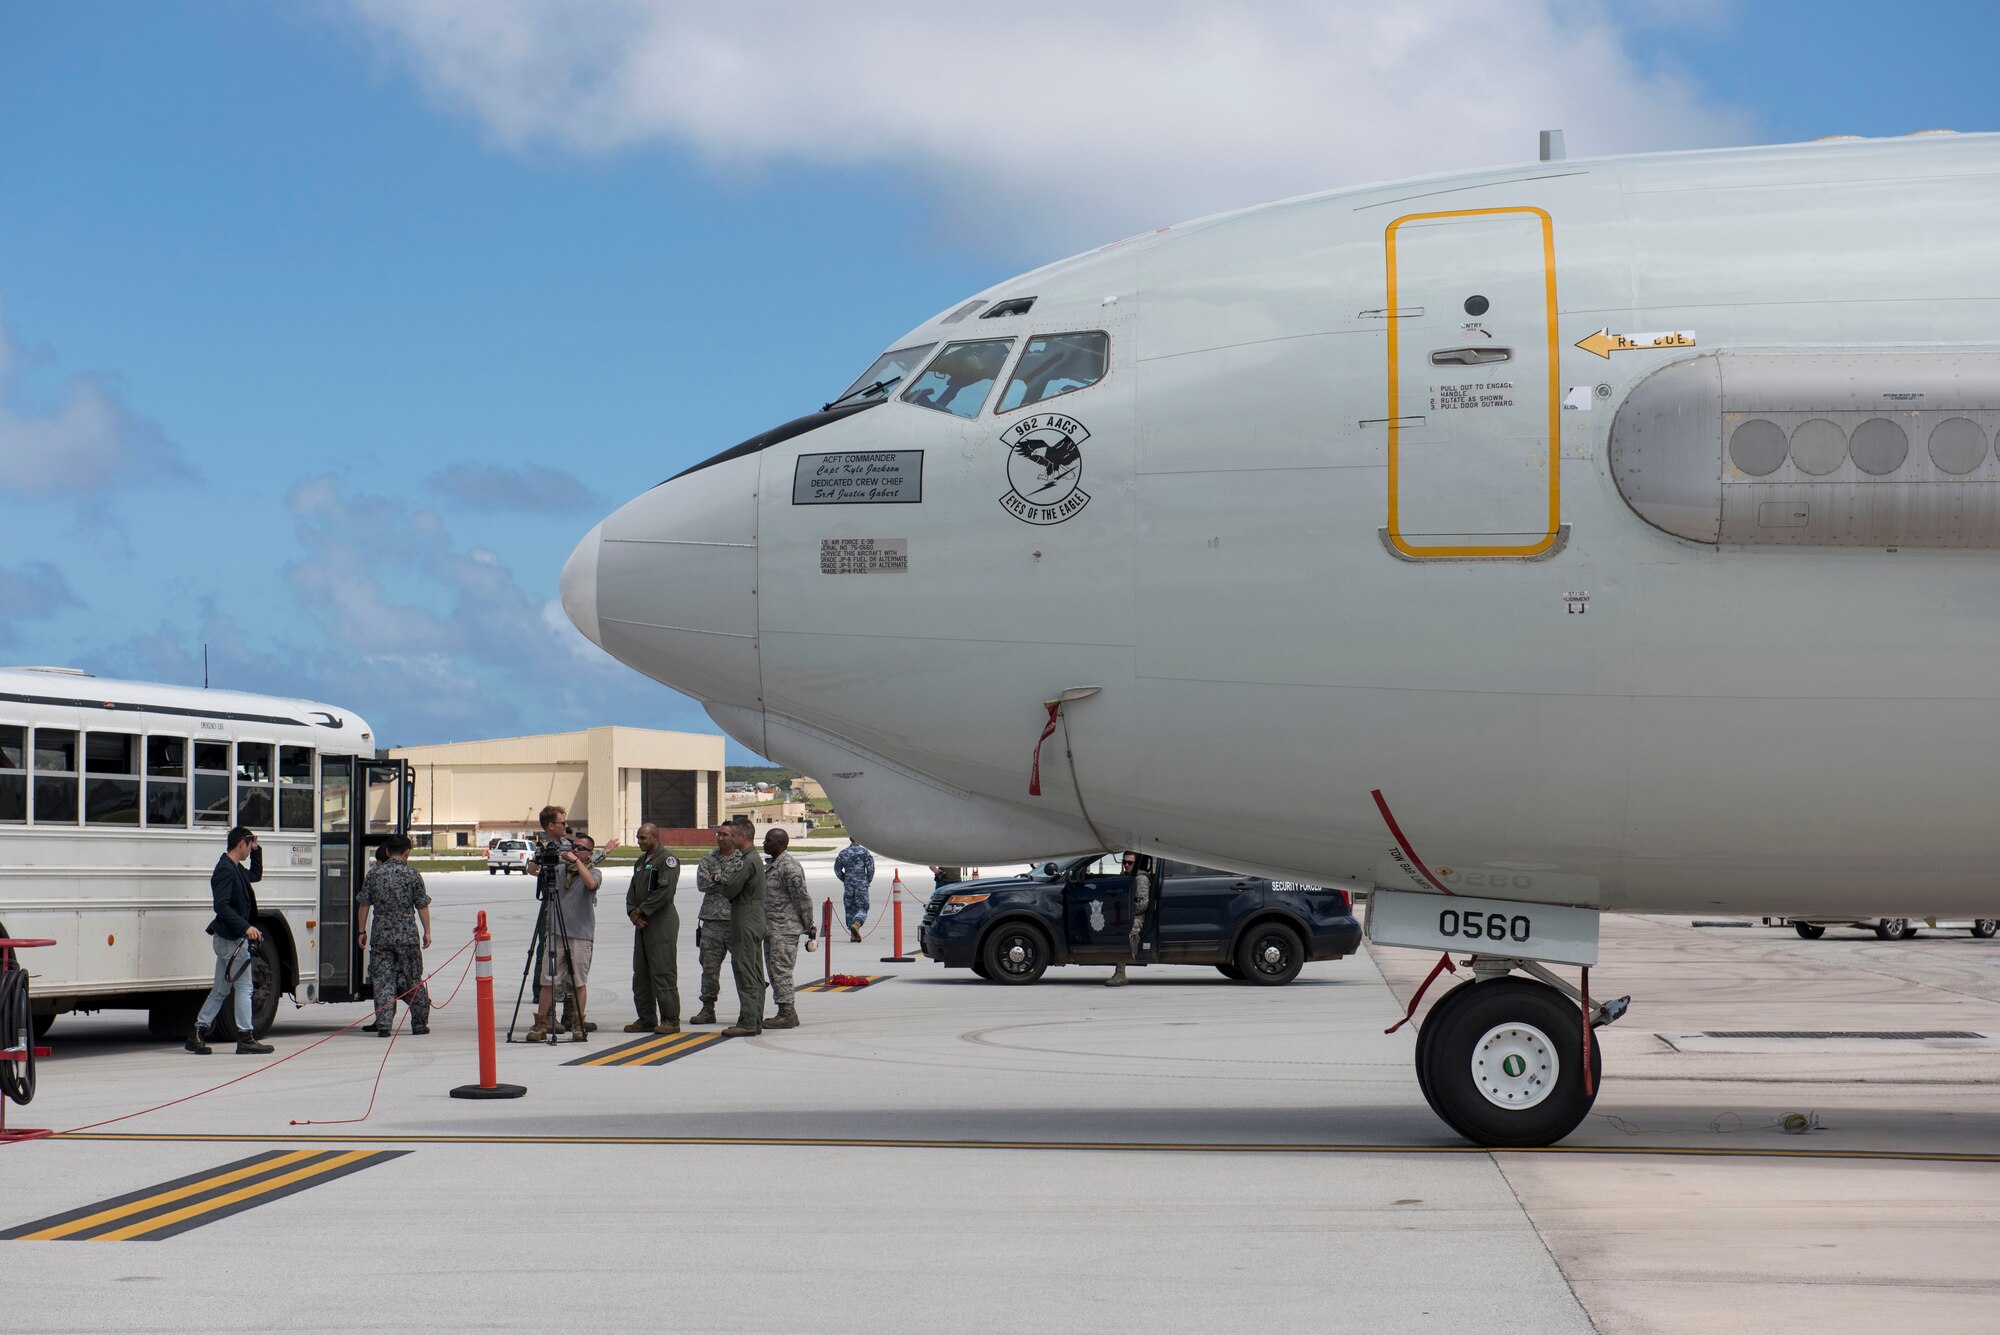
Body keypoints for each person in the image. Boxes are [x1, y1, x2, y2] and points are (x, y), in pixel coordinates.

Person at [186, 825, 273, 1055]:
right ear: (240, 844)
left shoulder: (235, 867)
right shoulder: (224, 869)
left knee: (221, 990)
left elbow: (256, 875)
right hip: (231, 939)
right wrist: (246, 927)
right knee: (244, 988)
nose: (248, 850)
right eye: (248, 846)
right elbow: (221, 906)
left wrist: (257, 849)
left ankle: (197, 1033)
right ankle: (245, 1037)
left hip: (229, 939)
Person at [524, 807, 601, 1042]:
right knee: (548, 979)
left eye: (580, 849)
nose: (574, 850)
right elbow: (533, 870)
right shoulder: (558, 870)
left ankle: (578, 1022)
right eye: (574, 847)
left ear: (589, 854)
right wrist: (538, 859)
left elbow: (590, 885)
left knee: (578, 981)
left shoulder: (594, 871)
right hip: (556, 931)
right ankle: (541, 1023)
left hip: (579, 934)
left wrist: (576, 860)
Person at [356, 834, 433, 1035]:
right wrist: (427, 932)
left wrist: (361, 930)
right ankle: (419, 1024)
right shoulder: (413, 875)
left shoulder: (375, 874)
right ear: (407, 852)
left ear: (388, 851)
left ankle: (383, 1025)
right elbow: (422, 906)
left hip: (381, 936)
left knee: (382, 980)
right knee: (412, 979)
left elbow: (364, 904)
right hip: (407, 936)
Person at [624, 822, 682, 1035]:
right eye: (638, 838)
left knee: (663, 971)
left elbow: (664, 891)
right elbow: (632, 890)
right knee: (641, 973)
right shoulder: (640, 862)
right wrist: (632, 911)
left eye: (643, 838)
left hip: (661, 922)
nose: (639, 842)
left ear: (655, 838)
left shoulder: (667, 861)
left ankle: (671, 1019)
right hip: (642, 923)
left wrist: (642, 910)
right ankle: (646, 1018)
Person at [715, 821, 768, 1036]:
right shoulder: (755, 859)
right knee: (755, 971)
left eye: (734, 835)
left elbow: (730, 890)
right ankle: (754, 1018)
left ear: (743, 837)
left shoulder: (746, 862)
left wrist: (721, 882)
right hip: (755, 917)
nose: (730, 839)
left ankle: (747, 1022)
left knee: (744, 969)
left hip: (745, 916)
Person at [762, 828, 815, 1029]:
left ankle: (787, 1013)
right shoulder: (771, 866)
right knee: (774, 971)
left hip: (785, 929)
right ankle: (785, 1011)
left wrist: (809, 925)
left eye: (768, 840)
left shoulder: (789, 867)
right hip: (772, 928)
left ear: (780, 844)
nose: (764, 843)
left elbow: (802, 898)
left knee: (781, 971)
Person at [689, 824, 740, 1026]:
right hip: (711, 922)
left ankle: (749, 1007)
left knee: (743, 968)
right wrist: (725, 881)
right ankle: (707, 1008)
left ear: (735, 837)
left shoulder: (742, 859)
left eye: (725, 835)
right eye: (718, 834)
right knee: (709, 968)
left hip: (736, 921)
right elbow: (702, 884)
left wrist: (716, 878)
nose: (720, 838)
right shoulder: (708, 858)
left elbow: (740, 885)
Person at [1105, 851, 1151, 988]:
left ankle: (1120, 974)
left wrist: (1127, 913)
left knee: (1125, 934)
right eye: (1124, 862)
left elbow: (1143, 904)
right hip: (1124, 914)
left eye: (1130, 863)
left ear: (1136, 863)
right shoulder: (1125, 876)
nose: (1126, 865)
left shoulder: (1140, 878)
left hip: (1137, 915)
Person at [834, 837, 876, 942]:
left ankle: (853, 935)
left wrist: (845, 879)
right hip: (861, 884)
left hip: (849, 884)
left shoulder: (843, 853)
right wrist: (867, 880)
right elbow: (870, 868)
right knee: (862, 907)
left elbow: (837, 869)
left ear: (850, 839)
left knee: (849, 909)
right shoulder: (864, 852)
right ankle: (857, 924)